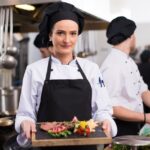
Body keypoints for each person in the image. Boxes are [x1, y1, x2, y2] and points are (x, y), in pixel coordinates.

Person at [15, 2, 117, 149]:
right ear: (50, 34)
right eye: (60, 33)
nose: (67, 40)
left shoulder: (91, 69)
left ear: (78, 35)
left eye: (73, 33)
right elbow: (25, 114)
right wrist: (25, 122)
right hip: (47, 146)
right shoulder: (34, 70)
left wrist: (105, 120)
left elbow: (102, 110)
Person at [100, 16, 150, 136]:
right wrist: (144, 117)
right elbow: (111, 107)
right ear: (130, 36)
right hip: (120, 128)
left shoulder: (129, 61)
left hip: (134, 125)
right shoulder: (112, 65)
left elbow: (143, 91)